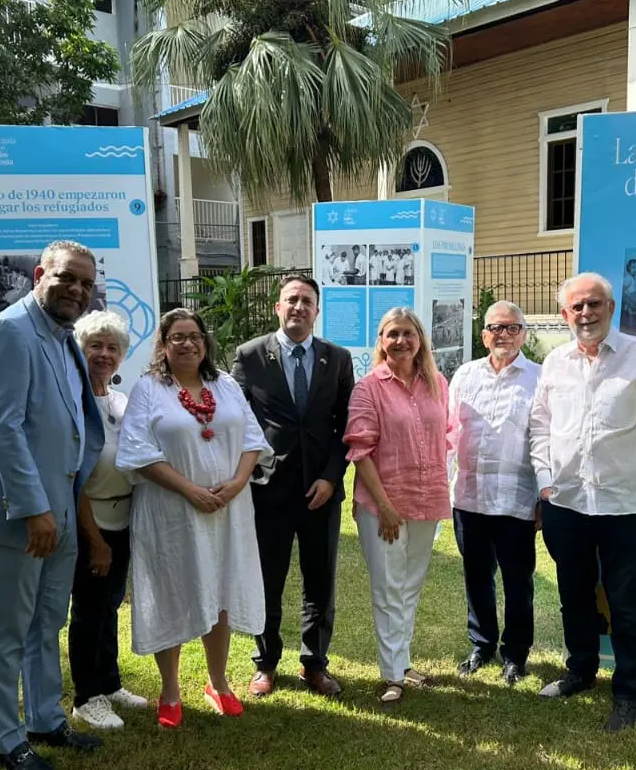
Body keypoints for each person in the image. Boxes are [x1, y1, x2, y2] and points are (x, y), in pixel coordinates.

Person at [0, 240, 106, 770]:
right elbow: (1, 428)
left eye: (86, 282)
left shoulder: (61, 339)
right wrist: (34, 509)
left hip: (58, 505)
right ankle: (4, 740)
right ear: (40, 274)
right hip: (22, 513)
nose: (77, 290)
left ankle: (44, 719)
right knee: (8, 629)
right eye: (66, 278)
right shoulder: (9, 332)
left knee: (47, 621)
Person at [530, 272, 636, 731]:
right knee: (573, 595)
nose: (585, 314)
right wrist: (543, 481)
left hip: (628, 505)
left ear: (611, 308)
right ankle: (580, 671)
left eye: (594, 304)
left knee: (626, 603)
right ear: (564, 315)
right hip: (567, 503)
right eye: (576, 306)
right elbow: (539, 425)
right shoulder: (554, 363)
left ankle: (630, 691)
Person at [115, 309, 273, 729]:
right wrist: (190, 490)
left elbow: (253, 439)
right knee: (172, 590)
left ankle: (218, 682)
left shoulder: (225, 386)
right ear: (163, 346)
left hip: (227, 510)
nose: (188, 344)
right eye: (178, 337)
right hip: (171, 510)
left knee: (219, 590)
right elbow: (135, 452)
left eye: (195, 337)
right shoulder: (149, 389)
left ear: (206, 344)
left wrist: (239, 482)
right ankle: (169, 689)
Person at [231, 276, 355, 698]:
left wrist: (331, 476)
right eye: (291, 300)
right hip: (269, 490)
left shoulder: (337, 359)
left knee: (320, 580)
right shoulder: (249, 356)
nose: (299, 307)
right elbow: (237, 421)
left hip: (321, 490)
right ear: (277, 308)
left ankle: (314, 663)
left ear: (317, 310)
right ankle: (265, 664)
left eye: (307, 301)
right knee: (267, 578)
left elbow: (347, 426)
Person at [344, 307, 451, 705]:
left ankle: (402, 663)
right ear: (381, 341)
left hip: (426, 499)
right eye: (393, 334)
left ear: (420, 339)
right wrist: (385, 507)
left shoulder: (436, 382)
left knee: (409, 586)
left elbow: (446, 437)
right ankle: (392, 673)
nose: (401, 341)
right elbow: (360, 451)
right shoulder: (368, 388)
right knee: (388, 588)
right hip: (383, 505)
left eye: (408, 333)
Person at [448, 301, 542, 685]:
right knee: (476, 575)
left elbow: (546, 441)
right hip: (469, 496)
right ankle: (482, 644)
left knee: (517, 581)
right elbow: (448, 434)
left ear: (524, 334)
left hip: (516, 498)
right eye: (495, 328)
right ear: (484, 335)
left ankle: (516, 653)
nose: (503, 334)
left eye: (512, 327)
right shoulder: (465, 375)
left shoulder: (540, 378)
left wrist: (543, 498)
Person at [67, 310, 149, 731]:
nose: (104, 353)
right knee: (88, 610)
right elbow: (74, 478)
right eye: (95, 345)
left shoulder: (119, 400)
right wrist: (94, 540)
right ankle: (87, 696)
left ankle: (109, 682)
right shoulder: (73, 404)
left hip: (123, 522)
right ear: (79, 350)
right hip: (91, 523)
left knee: (110, 606)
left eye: (112, 347)